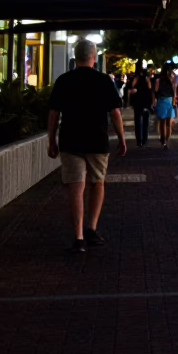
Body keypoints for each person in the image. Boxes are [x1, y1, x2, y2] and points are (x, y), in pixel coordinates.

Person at [46, 39, 127, 252]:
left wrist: (51, 140)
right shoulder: (103, 81)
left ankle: (79, 236)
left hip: (70, 140)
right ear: (94, 56)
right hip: (97, 140)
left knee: (75, 187)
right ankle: (92, 227)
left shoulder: (64, 80)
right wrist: (122, 138)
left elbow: (54, 113)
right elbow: (115, 112)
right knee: (97, 183)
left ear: (75, 56)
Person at [154, 66, 176, 149]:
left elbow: (155, 91)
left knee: (162, 123)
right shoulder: (172, 80)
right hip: (169, 102)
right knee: (168, 124)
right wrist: (174, 103)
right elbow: (174, 92)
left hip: (161, 101)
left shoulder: (158, 80)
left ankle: (163, 140)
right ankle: (166, 140)